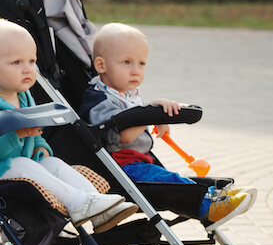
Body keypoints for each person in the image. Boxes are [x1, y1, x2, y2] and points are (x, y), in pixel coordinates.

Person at [0, 19, 138, 233]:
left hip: (24, 164)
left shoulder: (22, 95)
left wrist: (40, 146)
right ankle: (79, 204)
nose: (28, 69)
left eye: (32, 61)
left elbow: (35, 133)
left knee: (55, 164)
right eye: (16, 63)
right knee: (25, 164)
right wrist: (17, 135)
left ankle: (100, 205)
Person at [79, 22, 255, 231]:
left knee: (168, 178)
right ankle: (209, 205)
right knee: (167, 181)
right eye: (127, 62)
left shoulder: (125, 93)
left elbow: (135, 118)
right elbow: (122, 136)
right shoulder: (100, 99)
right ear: (101, 65)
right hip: (120, 168)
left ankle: (216, 194)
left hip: (137, 162)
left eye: (141, 63)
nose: (136, 71)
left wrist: (153, 115)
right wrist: (148, 113)